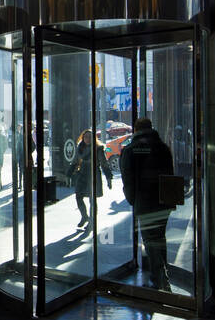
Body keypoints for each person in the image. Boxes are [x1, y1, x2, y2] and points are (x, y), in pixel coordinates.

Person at [120, 117, 175, 290]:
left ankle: (160, 279)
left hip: (144, 201)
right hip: (164, 200)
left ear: (135, 129)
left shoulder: (131, 149)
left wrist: (133, 200)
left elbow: (127, 179)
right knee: (159, 237)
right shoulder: (163, 147)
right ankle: (162, 274)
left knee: (150, 240)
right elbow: (170, 173)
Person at [70, 128, 112, 230]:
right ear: (83, 138)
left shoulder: (98, 148)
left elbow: (104, 164)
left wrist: (108, 178)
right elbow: (75, 161)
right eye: (85, 137)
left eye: (89, 137)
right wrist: (69, 173)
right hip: (82, 174)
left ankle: (92, 221)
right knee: (78, 196)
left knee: (92, 200)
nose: (87, 139)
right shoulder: (80, 147)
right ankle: (84, 216)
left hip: (93, 175)